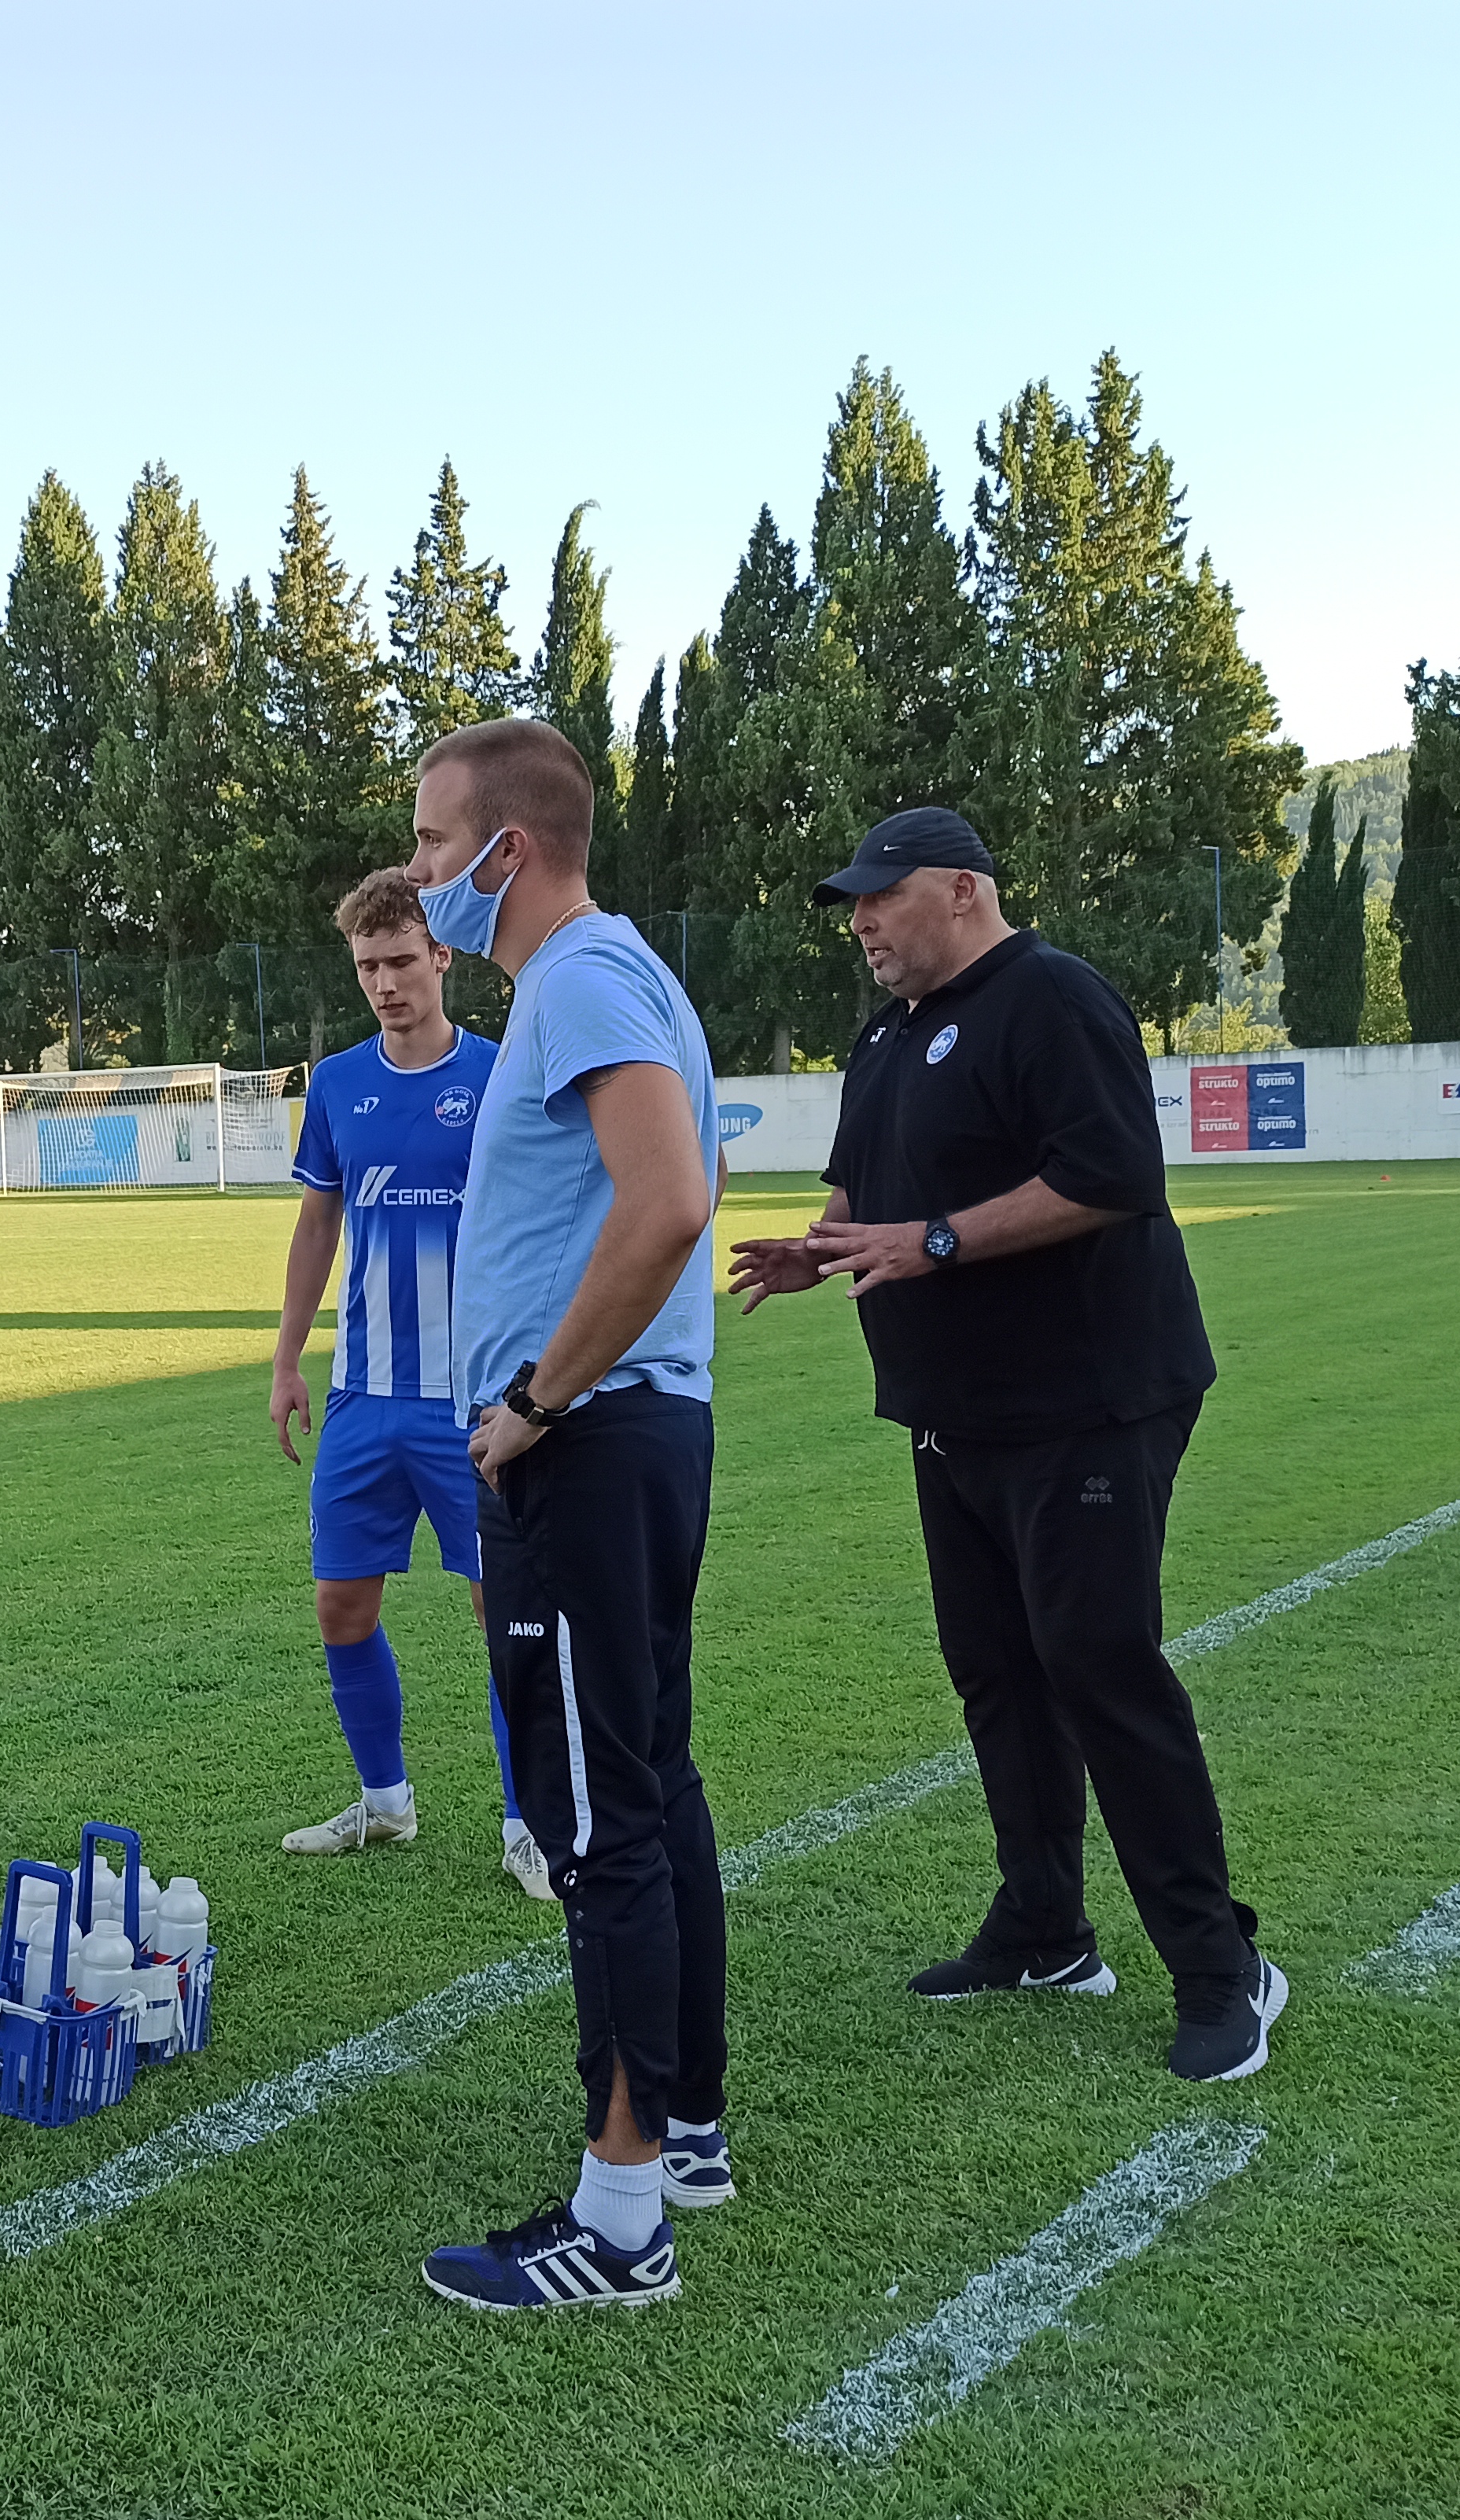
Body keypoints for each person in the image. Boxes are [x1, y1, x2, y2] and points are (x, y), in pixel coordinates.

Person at [728, 806, 1284, 2086]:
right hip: (952, 1409)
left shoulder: (1051, 999)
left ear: (963, 890)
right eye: (850, 902)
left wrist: (929, 1244)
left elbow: (1109, 1175)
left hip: (1085, 1397)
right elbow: (867, 1186)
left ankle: (1221, 1969)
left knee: (1095, 1660)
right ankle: (1041, 1928)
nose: (859, 920)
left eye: (879, 895)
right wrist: (821, 1246)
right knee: (993, 1666)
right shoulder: (885, 1033)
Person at [395, 721, 729, 2315]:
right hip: (622, 1439)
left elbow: (667, 1198)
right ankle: (683, 2135)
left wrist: (529, 1402)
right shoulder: (604, 973)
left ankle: (619, 2219)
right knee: (645, 1784)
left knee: (599, 1825)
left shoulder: (579, 974)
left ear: (504, 850)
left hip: (587, 1447)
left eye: (431, 842)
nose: (420, 877)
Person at [268, 866, 538, 1901]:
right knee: (342, 1604)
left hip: (473, 1401)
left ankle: (526, 1823)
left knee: (502, 1612)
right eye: (368, 965)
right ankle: (385, 1803)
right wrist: (290, 1358)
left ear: (443, 957)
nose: (385, 982)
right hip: (363, 1398)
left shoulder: (504, 1075)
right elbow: (317, 1222)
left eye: (400, 960)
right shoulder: (337, 1084)